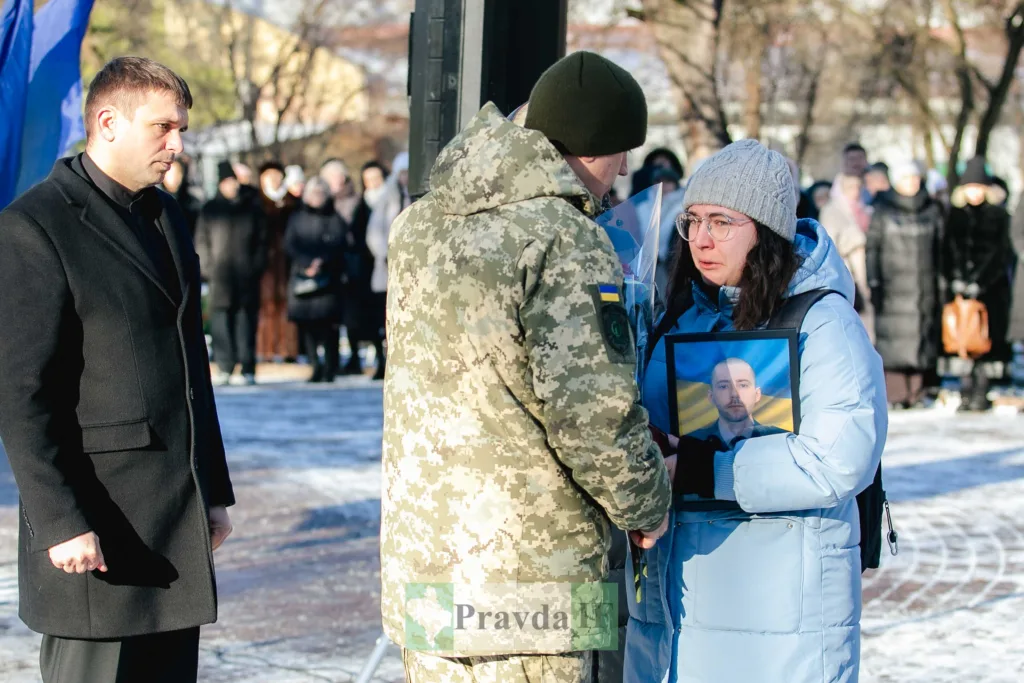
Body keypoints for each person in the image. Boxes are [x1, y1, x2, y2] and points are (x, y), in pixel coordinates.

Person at [382, 51, 672, 683]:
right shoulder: (564, 236)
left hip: (428, 566)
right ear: (597, 146)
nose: (624, 170)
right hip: (531, 578)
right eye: (623, 151)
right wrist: (647, 504)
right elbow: (592, 413)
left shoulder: (420, 223)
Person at [0, 56, 234, 683]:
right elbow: (21, 394)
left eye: (180, 129)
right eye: (163, 128)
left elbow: (191, 367)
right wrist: (61, 521)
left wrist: (211, 490)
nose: (177, 145)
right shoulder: (34, 226)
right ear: (107, 122)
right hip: (97, 528)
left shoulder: (165, 215)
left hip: (172, 520)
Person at [626, 139, 887, 683]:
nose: (701, 238)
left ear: (766, 231)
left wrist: (704, 469)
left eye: (722, 221)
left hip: (782, 614)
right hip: (679, 599)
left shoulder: (823, 322)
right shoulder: (680, 319)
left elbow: (836, 459)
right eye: (692, 221)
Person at [866, 161, 943, 408]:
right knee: (894, 341)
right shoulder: (883, 210)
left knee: (922, 337)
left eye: (916, 177)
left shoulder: (932, 210)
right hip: (892, 286)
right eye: (907, 178)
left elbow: (941, 250)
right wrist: (874, 282)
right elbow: (873, 250)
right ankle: (897, 393)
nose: (913, 182)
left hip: (923, 284)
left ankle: (918, 391)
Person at [943, 156, 1014, 411]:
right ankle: (965, 389)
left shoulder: (998, 216)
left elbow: (1001, 253)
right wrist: (956, 280)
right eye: (970, 187)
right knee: (962, 338)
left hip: (990, 291)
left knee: (985, 338)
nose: (975, 193)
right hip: (959, 291)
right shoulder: (954, 216)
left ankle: (981, 390)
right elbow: (947, 251)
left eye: (979, 187)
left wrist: (980, 282)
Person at [195, 161, 268, 385]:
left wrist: (256, 267)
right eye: (226, 182)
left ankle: (247, 367)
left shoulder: (252, 208)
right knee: (220, 323)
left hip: (247, 275)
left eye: (233, 181)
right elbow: (201, 241)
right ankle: (225, 366)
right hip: (219, 276)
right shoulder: (210, 209)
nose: (231, 186)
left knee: (245, 322)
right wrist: (207, 268)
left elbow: (262, 243)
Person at [285, 177, 347, 383]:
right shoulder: (297, 217)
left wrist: (321, 262)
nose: (317, 198)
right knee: (307, 326)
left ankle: (330, 366)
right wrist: (306, 263)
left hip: (328, 278)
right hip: (303, 278)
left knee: (329, 327)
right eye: (314, 193)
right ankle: (314, 365)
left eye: (321, 193)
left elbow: (339, 242)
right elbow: (290, 244)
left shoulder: (334, 217)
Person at [339, 160, 387, 376]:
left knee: (383, 317)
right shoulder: (361, 204)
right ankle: (375, 359)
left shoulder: (390, 200)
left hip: (385, 268)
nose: (372, 183)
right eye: (368, 179)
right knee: (365, 318)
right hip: (364, 271)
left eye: (376, 178)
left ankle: (385, 361)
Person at [365, 152, 411, 380]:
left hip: (409, 267)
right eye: (402, 173)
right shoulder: (387, 198)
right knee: (380, 317)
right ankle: (380, 361)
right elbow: (374, 231)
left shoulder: (416, 197)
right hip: (386, 266)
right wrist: (385, 253)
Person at [819, 173, 875, 339]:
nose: (855, 191)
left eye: (858, 187)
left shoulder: (865, 207)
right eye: (850, 187)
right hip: (846, 263)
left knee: (868, 307)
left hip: (866, 262)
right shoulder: (831, 210)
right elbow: (829, 240)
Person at [256, 160, 300, 364]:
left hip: (288, 262)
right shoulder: (256, 202)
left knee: (287, 305)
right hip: (264, 262)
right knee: (266, 306)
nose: (273, 179)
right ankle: (266, 349)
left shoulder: (291, 202)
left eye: (276, 175)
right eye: (268, 175)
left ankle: (288, 349)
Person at [687, 358, 787, 445]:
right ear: (711, 397)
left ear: (757, 395)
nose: (734, 394)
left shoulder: (781, 441)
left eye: (743, 385)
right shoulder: (690, 442)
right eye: (724, 386)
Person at [160, 156, 201, 237]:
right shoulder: (155, 203)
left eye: (178, 173)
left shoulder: (192, 204)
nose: (175, 178)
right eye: (171, 173)